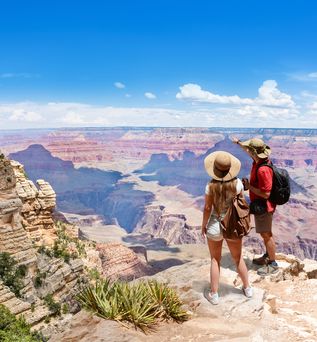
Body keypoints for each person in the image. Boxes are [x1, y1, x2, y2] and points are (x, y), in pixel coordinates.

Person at [202, 151, 252, 305]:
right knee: (238, 258)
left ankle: (214, 294)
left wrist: (203, 225)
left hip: (215, 225)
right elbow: (241, 202)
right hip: (232, 226)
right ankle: (247, 288)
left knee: (215, 259)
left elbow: (207, 208)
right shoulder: (237, 184)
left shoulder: (210, 186)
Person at [233, 137, 278, 276]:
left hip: (264, 206)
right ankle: (267, 255)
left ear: (255, 152)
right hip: (261, 205)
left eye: (250, 150)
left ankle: (273, 264)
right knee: (265, 234)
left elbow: (266, 193)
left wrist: (249, 187)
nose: (249, 152)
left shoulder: (262, 170)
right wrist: (240, 143)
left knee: (266, 235)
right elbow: (250, 151)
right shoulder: (259, 161)